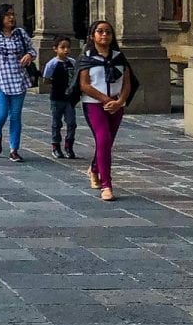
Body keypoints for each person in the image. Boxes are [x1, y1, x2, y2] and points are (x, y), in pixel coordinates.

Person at [79, 19, 134, 201]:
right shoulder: (87, 58)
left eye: (108, 32)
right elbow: (84, 85)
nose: (104, 35)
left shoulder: (119, 57)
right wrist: (105, 99)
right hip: (94, 104)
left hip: (116, 105)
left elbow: (127, 82)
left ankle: (94, 168)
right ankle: (106, 185)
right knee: (103, 138)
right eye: (100, 31)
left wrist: (120, 102)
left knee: (107, 143)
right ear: (92, 35)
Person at [0, 3, 36, 161]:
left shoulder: (20, 34)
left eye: (13, 14)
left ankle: (14, 149)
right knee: (1, 114)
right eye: (7, 15)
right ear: (0, 17)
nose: (11, 17)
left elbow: (32, 50)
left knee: (16, 116)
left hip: (18, 80)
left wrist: (29, 56)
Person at [42, 34, 81, 159]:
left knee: (71, 122)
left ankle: (69, 145)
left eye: (68, 47)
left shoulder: (72, 62)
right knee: (56, 123)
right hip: (57, 97)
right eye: (62, 47)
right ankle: (56, 146)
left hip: (69, 98)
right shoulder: (52, 64)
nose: (66, 50)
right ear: (55, 49)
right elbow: (46, 79)